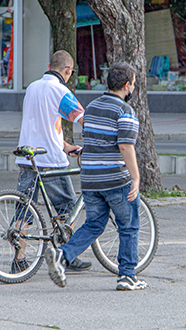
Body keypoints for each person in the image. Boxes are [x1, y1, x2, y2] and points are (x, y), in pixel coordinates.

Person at [45, 62, 146, 291]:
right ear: (127, 85)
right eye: (133, 83)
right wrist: (136, 178)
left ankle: (62, 257)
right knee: (129, 225)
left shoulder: (91, 108)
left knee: (93, 225)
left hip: (90, 180)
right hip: (115, 180)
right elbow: (126, 146)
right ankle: (127, 276)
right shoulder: (125, 111)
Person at [14, 50, 90, 273]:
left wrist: (66, 146)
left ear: (49, 65)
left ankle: (19, 259)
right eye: (71, 72)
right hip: (51, 161)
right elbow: (81, 117)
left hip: (29, 157)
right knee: (67, 206)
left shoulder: (33, 87)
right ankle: (67, 254)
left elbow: (43, 126)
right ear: (68, 70)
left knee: (24, 209)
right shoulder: (60, 91)